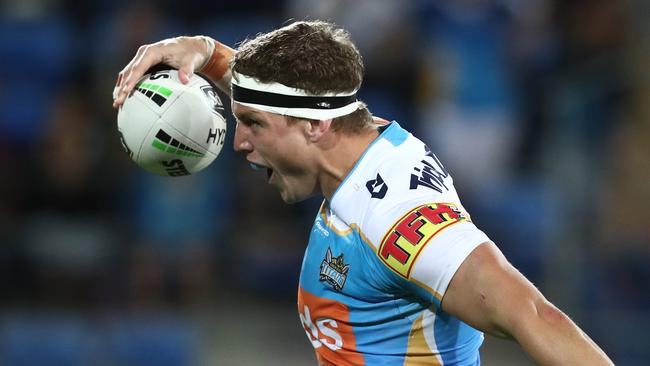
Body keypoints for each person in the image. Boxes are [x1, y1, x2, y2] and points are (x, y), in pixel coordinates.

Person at [112, 20, 613, 366]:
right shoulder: (356, 137)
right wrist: (203, 50)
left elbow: (534, 315)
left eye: (252, 125)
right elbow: (285, 93)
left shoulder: (401, 225)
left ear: (313, 128)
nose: (238, 142)